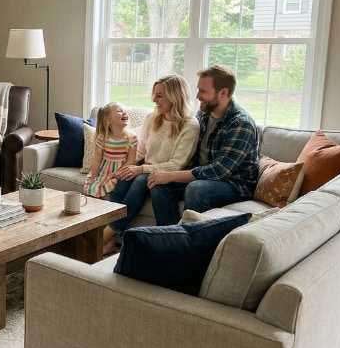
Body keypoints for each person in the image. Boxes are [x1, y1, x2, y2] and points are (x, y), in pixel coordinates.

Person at [146, 64, 259, 227]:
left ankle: (188, 240)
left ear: (223, 93)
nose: (197, 96)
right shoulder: (204, 115)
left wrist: (170, 174)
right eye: (198, 89)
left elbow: (218, 170)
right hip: (204, 178)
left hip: (235, 185)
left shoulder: (241, 124)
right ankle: (170, 239)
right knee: (160, 186)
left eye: (203, 91)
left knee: (196, 188)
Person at [104, 75, 200, 248]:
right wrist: (126, 167)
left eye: (159, 95)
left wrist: (140, 170)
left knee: (141, 178)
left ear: (175, 96)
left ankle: (107, 232)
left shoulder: (190, 125)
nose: (154, 99)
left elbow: (176, 164)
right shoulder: (152, 117)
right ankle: (110, 240)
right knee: (124, 177)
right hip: (148, 171)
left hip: (173, 179)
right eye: (154, 94)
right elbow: (141, 151)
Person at [83, 102, 138, 254]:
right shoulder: (102, 137)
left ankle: (107, 241)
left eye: (125, 110)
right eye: (120, 111)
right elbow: (96, 160)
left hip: (120, 173)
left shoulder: (131, 137)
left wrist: (117, 173)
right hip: (103, 172)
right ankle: (100, 237)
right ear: (108, 120)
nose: (124, 112)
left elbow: (131, 161)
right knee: (94, 198)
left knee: (108, 201)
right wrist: (92, 177)